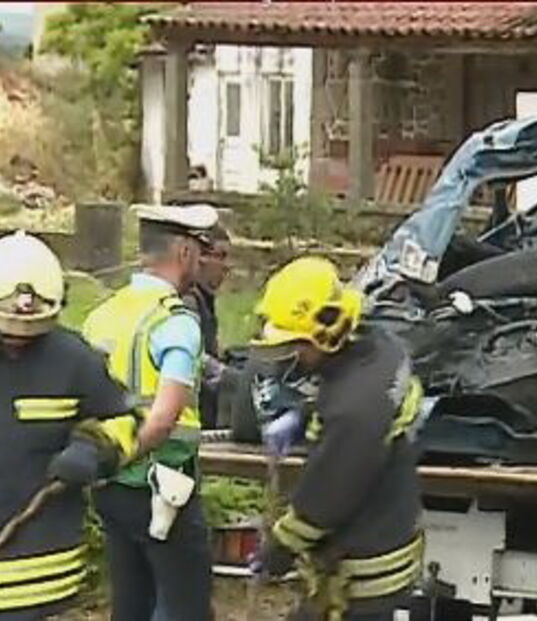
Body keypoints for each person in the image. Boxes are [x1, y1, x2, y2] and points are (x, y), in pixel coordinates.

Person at [249, 257, 425, 621]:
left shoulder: (354, 411)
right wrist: (307, 414)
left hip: (361, 577)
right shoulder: (382, 347)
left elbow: (325, 499)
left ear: (329, 332)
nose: (293, 357)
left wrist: (278, 549)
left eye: (298, 346)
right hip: (390, 531)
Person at [82, 204, 218, 621]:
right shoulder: (174, 322)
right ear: (183, 252)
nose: (202, 260)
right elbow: (162, 419)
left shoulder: (102, 315)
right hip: (164, 487)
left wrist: (104, 460)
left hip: (109, 487)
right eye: (200, 250)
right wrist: (126, 454)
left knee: (130, 603)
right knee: (184, 606)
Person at [0, 231, 137, 620]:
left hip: (40, 572)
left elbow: (126, 421)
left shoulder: (75, 360)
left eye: (31, 334)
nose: (17, 342)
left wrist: (94, 448)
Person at [183, 224, 231, 429]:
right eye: (221, 256)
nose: (227, 266)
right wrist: (229, 376)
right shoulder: (188, 300)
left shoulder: (203, 299)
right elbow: (193, 356)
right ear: (201, 257)